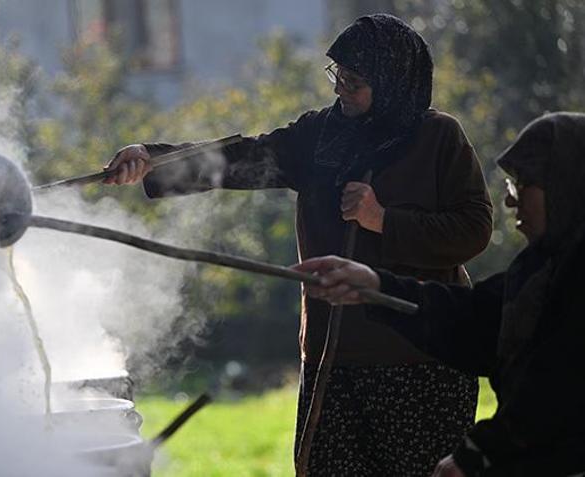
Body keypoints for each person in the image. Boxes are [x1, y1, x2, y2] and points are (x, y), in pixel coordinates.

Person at [104, 13, 492, 476]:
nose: (340, 89)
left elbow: (473, 230)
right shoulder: (319, 134)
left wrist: (383, 220)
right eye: (337, 75)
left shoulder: (439, 137)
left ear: (393, 84)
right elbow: (246, 157)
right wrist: (153, 159)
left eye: (354, 82)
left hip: (422, 363)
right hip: (333, 357)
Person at [295, 112, 585, 477]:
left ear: (566, 185)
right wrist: (376, 287)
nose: (512, 202)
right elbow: (476, 320)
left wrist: (477, 453)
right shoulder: (542, 269)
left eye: (523, 184)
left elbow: (557, 385)